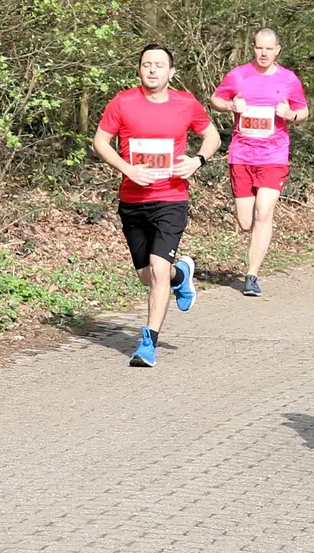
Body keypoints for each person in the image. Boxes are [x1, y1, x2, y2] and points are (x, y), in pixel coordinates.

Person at [93, 44, 221, 366]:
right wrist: (128, 169)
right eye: (146, 64)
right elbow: (100, 142)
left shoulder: (185, 103)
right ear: (139, 69)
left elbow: (213, 137)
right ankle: (182, 276)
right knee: (147, 276)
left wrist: (197, 160)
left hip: (171, 198)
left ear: (171, 72)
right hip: (133, 201)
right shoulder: (123, 102)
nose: (152, 70)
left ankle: (148, 343)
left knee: (158, 268)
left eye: (159, 65)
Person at [209, 28, 309, 297]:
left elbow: (303, 111)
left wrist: (290, 114)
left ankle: (252, 274)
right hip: (241, 155)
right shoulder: (238, 75)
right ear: (252, 48)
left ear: (278, 50)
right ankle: (258, 239)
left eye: (269, 48)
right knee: (245, 221)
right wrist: (231, 107)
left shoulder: (289, 79)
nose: (264, 53)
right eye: (259, 48)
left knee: (263, 213)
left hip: (274, 155)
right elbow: (216, 99)